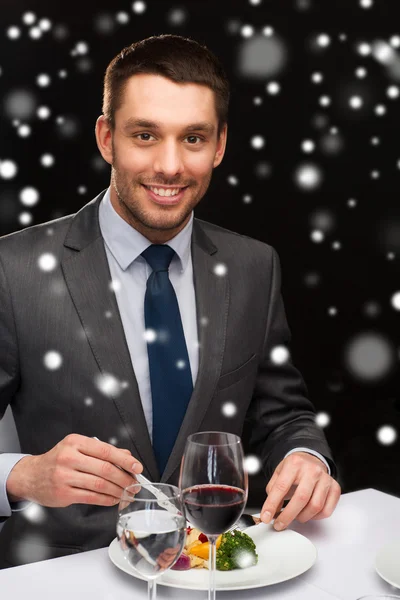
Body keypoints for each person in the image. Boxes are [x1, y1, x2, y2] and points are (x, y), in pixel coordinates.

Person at [0, 34, 341, 568]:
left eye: (193, 138)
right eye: (145, 135)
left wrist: (305, 456)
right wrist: (21, 476)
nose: (169, 166)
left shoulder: (253, 266)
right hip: (63, 574)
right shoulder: (11, 269)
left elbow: (282, 413)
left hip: (214, 568)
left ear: (220, 145)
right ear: (106, 138)